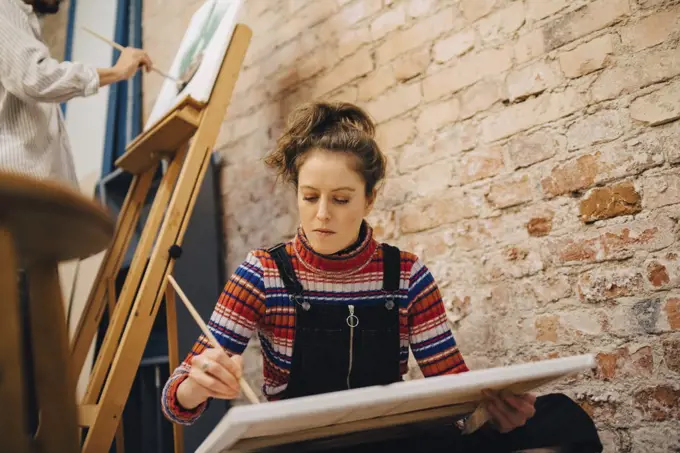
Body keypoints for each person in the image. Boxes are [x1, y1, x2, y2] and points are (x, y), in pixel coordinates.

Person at [161, 101, 603, 452]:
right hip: (303, 447)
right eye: (310, 196)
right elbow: (175, 399)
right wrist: (196, 386)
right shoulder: (262, 273)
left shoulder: (407, 274)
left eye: (341, 198)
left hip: (399, 442)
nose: (321, 214)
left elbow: (453, 386)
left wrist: (490, 412)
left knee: (562, 419)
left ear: (369, 199)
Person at [0, 0, 153, 188]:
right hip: (21, 189)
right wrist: (117, 71)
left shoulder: (19, 16)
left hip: (35, 186)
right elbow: (36, 78)